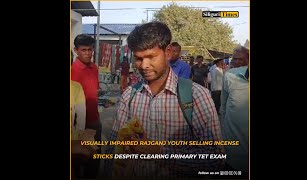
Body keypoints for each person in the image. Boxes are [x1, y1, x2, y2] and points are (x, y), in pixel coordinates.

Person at [108, 21, 224, 177]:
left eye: (151, 57)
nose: (144, 65)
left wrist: (161, 152)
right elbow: (114, 144)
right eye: (138, 59)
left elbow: (215, 157)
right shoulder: (130, 95)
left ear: (168, 52)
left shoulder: (197, 96)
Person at [71, 34, 101, 178]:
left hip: (95, 122)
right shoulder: (72, 71)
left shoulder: (95, 68)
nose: (88, 53)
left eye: (90, 50)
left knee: (94, 159)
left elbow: (94, 91)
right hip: (78, 127)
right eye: (84, 50)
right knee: (77, 163)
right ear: (76, 50)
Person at [220, 45, 249, 177]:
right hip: (233, 155)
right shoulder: (229, 76)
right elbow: (223, 107)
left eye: (240, 59)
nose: (236, 62)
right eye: (234, 60)